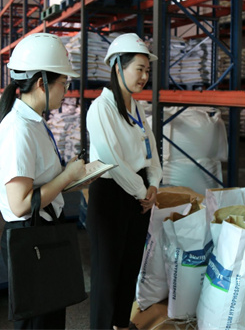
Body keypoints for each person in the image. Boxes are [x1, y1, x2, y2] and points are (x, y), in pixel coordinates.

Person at [0, 33, 86, 329]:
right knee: (38, 322)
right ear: (43, 83)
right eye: (63, 84)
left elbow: (39, 180)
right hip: (30, 235)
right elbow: (20, 204)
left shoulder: (34, 121)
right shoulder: (18, 130)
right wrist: (67, 176)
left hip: (43, 229)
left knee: (51, 317)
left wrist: (71, 176)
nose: (66, 91)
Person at [86, 33, 162, 330]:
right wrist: (143, 191)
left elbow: (151, 150)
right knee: (106, 272)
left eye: (147, 70)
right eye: (139, 69)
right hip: (111, 194)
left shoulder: (136, 107)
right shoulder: (101, 108)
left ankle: (120, 323)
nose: (144, 76)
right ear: (118, 66)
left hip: (139, 194)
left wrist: (154, 183)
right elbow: (111, 159)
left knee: (130, 265)